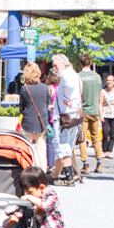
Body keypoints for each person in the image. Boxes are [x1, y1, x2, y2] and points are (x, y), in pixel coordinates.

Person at [51, 55, 82, 183]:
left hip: (64, 117)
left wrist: (66, 97)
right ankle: (56, 174)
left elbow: (69, 86)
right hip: (74, 115)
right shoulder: (75, 75)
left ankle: (69, 173)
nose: (54, 68)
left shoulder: (66, 75)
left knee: (62, 145)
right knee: (67, 145)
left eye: (56, 65)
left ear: (63, 63)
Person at [18, 62, 52, 172]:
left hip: (27, 122)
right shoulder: (46, 88)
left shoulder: (24, 89)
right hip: (41, 122)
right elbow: (48, 105)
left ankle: (26, 170)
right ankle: (42, 172)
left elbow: (21, 108)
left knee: (26, 148)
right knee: (41, 150)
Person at [77, 54, 104, 174]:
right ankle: (99, 162)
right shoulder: (97, 77)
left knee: (82, 138)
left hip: (83, 111)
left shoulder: (78, 77)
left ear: (80, 63)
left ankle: (85, 164)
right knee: (96, 138)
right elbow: (99, 94)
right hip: (94, 111)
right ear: (91, 62)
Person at [100, 74, 114, 159]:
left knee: (112, 134)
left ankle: (110, 152)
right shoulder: (103, 91)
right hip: (105, 114)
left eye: (111, 80)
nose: (109, 82)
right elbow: (100, 104)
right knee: (105, 133)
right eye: (108, 80)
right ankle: (104, 151)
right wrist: (100, 115)